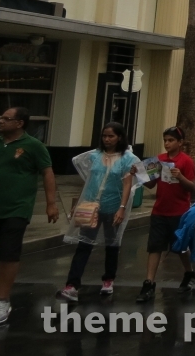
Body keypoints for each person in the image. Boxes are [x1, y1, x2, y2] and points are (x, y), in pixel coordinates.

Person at [58, 122, 139, 302]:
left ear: (119, 137)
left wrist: (122, 208)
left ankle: (108, 279)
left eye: (111, 136)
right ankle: (72, 285)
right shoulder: (95, 156)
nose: (107, 139)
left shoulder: (127, 159)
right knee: (84, 244)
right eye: (104, 136)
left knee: (112, 244)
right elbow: (89, 181)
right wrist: (78, 203)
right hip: (91, 206)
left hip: (113, 207)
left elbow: (127, 185)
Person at [0, 107, 57, 324]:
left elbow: (47, 172)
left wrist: (51, 203)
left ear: (20, 123)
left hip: (17, 208)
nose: (1, 121)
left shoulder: (34, 146)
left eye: (6, 118)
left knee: (8, 253)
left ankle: (2, 299)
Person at [135, 126, 195, 302]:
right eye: (165, 140)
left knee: (180, 247)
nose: (167, 144)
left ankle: (189, 272)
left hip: (179, 212)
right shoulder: (159, 160)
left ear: (180, 142)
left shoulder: (186, 161)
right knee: (155, 247)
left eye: (171, 140)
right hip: (159, 211)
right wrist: (139, 176)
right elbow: (150, 184)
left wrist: (180, 177)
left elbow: (192, 188)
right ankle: (149, 282)